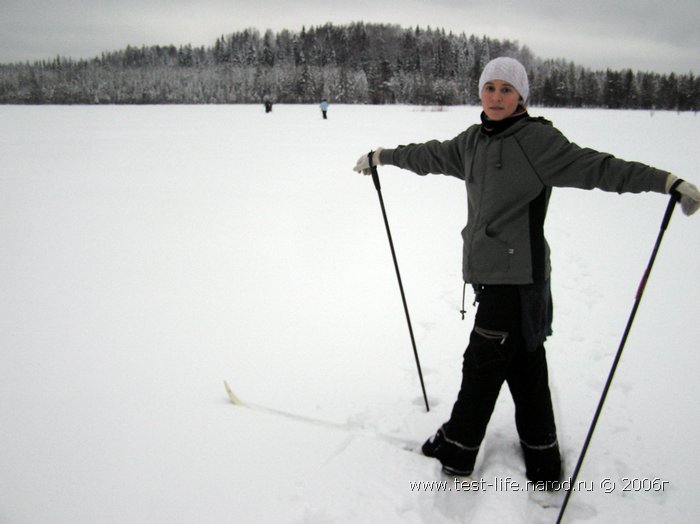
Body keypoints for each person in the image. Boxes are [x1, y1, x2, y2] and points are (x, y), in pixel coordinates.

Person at [353, 56, 700, 486]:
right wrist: (383, 156)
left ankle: (457, 449)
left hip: (517, 282)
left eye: (506, 89)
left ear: (521, 97)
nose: (496, 97)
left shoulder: (536, 142)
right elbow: (429, 155)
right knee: (524, 366)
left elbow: (601, 167)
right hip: (498, 279)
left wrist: (665, 181)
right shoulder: (473, 141)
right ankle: (543, 458)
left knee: (481, 367)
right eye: (490, 88)